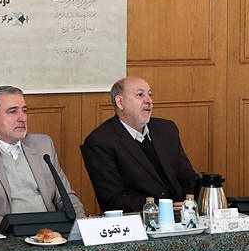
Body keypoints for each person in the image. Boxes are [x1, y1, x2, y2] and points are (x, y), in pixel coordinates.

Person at [0, 86, 85, 225]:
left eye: (24, 110)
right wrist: (11, 226)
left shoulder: (43, 144)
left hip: (51, 230)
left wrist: (81, 225)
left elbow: (66, 196)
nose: (23, 118)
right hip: (6, 232)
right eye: (13, 111)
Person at [81, 76, 200, 213]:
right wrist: (164, 208)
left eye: (150, 95)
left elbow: (188, 179)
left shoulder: (167, 129)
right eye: (140, 95)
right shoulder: (100, 141)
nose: (149, 101)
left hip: (183, 213)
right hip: (141, 218)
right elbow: (113, 199)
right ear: (120, 102)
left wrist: (189, 204)